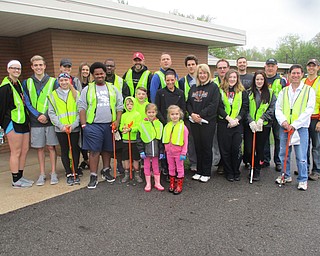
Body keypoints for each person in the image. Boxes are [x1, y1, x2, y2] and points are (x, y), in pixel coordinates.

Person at [78, 62, 123, 189]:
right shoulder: (87, 89)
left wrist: (117, 121)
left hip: (109, 125)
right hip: (93, 125)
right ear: (93, 75)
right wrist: (83, 125)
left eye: (101, 73)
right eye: (96, 74)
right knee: (94, 151)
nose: (99, 76)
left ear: (105, 74)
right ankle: (93, 175)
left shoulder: (113, 88)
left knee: (107, 149)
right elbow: (81, 107)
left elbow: (119, 106)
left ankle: (106, 171)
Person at [275, 64, 315, 191]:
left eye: (298, 73)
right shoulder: (284, 91)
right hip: (285, 127)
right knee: (283, 154)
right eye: (293, 73)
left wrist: (295, 124)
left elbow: (309, 109)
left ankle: (303, 179)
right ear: (289, 75)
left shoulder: (309, 90)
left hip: (300, 128)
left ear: (302, 74)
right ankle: (285, 175)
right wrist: (284, 121)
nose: (295, 76)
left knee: (301, 155)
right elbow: (278, 108)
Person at [23, 55, 59, 186]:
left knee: (51, 147)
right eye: (35, 65)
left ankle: (53, 172)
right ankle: (42, 174)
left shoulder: (53, 81)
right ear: (32, 67)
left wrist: (46, 115)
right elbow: (26, 101)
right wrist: (38, 115)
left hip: (49, 120)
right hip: (35, 121)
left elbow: (55, 101)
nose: (38, 67)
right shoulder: (26, 82)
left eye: (40, 65)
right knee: (39, 148)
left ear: (45, 66)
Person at [0, 60, 33, 188]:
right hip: (12, 122)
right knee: (16, 151)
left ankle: (20, 176)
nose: (16, 71)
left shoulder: (18, 83)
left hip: (23, 121)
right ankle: (15, 180)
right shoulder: (4, 87)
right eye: (13, 68)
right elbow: (1, 108)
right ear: (8, 69)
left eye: (18, 69)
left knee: (24, 150)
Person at [187, 64, 220, 183]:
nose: (202, 75)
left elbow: (214, 104)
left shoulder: (213, 87)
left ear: (208, 74)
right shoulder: (193, 87)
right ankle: (199, 171)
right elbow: (188, 103)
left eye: (204, 73)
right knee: (198, 146)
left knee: (206, 147)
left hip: (207, 122)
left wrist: (200, 115)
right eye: (200, 73)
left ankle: (206, 172)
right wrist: (192, 114)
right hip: (195, 122)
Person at [48, 73, 81, 185]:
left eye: (66, 80)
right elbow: (51, 113)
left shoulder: (76, 93)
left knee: (75, 149)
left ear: (70, 81)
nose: (64, 82)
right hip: (61, 129)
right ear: (58, 81)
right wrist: (61, 126)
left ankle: (75, 170)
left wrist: (74, 125)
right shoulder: (53, 95)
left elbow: (80, 111)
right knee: (65, 150)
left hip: (74, 128)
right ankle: (68, 173)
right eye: (61, 80)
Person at [217, 69, 248, 182]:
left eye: (234, 77)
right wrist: (229, 119)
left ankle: (236, 171)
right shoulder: (220, 90)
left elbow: (245, 107)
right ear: (226, 78)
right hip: (224, 123)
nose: (232, 79)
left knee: (236, 149)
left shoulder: (242, 91)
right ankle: (228, 172)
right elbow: (218, 107)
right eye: (230, 77)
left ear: (237, 79)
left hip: (237, 124)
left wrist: (236, 120)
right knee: (225, 150)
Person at [245, 71, 276, 181]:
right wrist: (250, 121)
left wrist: (262, 119)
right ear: (254, 80)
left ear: (264, 80)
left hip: (264, 125)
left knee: (259, 148)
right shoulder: (248, 92)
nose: (259, 81)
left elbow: (272, 108)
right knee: (249, 148)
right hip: (251, 125)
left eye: (261, 79)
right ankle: (250, 163)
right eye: (257, 79)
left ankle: (256, 169)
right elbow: (245, 108)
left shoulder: (271, 93)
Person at [155, 69, 185, 177]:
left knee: (176, 147)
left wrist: (178, 123)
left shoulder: (180, 93)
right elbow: (157, 109)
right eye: (168, 80)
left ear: (175, 80)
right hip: (164, 124)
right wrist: (166, 122)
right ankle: (166, 169)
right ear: (165, 80)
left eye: (172, 80)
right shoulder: (160, 93)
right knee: (165, 148)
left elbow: (183, 109)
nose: (170, 82)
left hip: (177, 125)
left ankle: (178, 169)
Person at [263, 58, 287, 172]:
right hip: (265, 114)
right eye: (268, 66)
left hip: (277, 114)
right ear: (265, 67)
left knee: (278, 138)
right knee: (265, 139)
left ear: (276, 67)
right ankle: (266, 160)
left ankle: (278, 162)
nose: (270, 68)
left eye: (272, 66)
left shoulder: (281, 80)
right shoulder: (262, 79)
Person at [136, 103, 164, 192]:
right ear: (146, 113)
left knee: (156, 166)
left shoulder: (159, 124)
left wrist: (162, 151)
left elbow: (162, 140)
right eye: (149, 112)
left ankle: (157, 183)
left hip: (156, 151)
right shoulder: (142, 125)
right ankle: (148, 183)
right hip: (146, 151)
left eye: (153, 112)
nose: (151, 114)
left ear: (156, 112)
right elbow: (139, 139)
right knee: (147, 167)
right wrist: (141, 151)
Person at [162, 105, 188, 194]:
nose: (175, 116)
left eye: (177, 114)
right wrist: (164, 150)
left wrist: (184, 153)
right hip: (169, 152)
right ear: (169, 115)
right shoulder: (167, 126)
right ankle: (172, 184)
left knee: (179, 168)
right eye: (172, 114)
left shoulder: (183, 127)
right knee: (171, 167)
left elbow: (185, 141)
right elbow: (165, 139)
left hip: (179, 152)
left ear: (180, 114)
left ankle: (179, 185)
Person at [178, 55, 198, 172]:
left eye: (193, 64)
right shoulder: (182, 81)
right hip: (188, 115)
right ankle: (193, 163)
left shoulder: (202, 78)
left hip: (201, 116)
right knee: (190, 141)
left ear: (196, 65)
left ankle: (202, 162)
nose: (191, 67)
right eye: (189, 65)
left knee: (201, 140)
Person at [302, 59, 320, 180]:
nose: (311, 68)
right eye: (309, 66)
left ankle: (317, 170)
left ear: (318, 68)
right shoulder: (303, 81)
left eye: (314, 66)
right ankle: (305, 168)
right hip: (304, 118)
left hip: (315, 118)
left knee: (316, 145)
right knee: (304, 145)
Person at [119, 96, 142, 183]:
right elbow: (121, 126)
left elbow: (138, 126)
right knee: (126, 158)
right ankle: (127, 173)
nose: (129, 106)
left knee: (136, 158)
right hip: (125, 140)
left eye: (131, 104)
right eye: (127, 104)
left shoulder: (137, 114)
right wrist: (123, 129)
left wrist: (131, 129)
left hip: (134, 140)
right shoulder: (124, 115)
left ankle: (137, 173)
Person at [77, 62, 91, 170]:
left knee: (88, 137)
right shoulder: (77, 83)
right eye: (83, 70)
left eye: (87, 70)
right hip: (80, 113)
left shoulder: (91, 84)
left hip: (89, 114)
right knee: (81, 138)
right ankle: (86, 159)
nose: (85, 72)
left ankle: (89, 160)